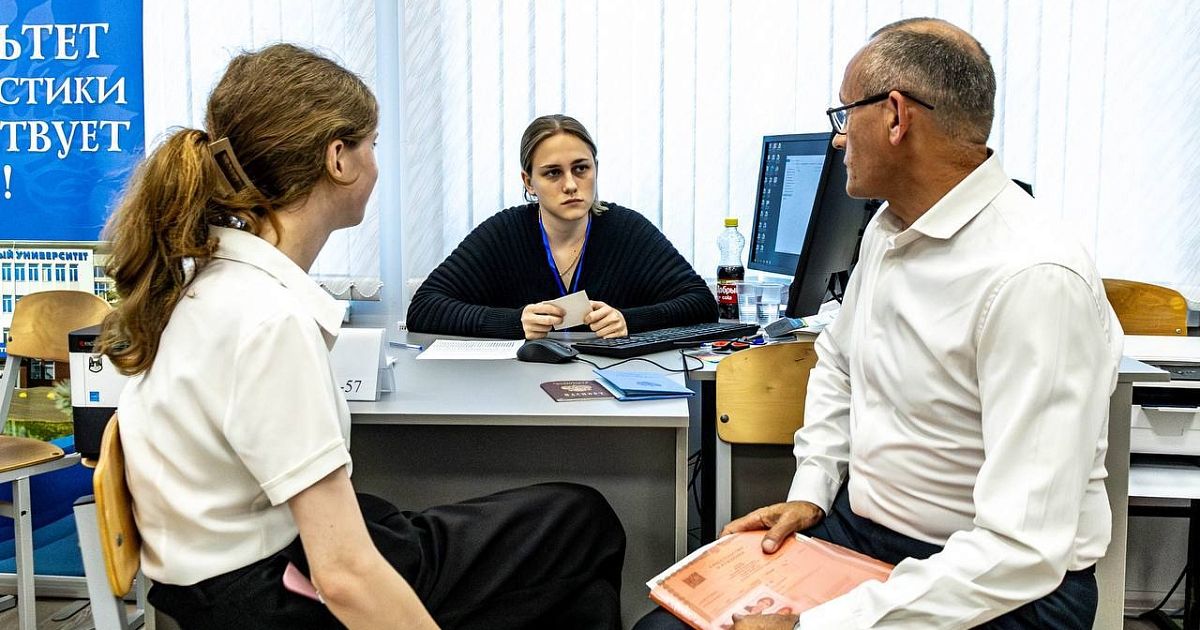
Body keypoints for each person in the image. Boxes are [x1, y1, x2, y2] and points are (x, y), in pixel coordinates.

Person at [97, 44, 625, 630]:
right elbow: (345, 576)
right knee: (584, 522)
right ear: (338, 159)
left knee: (571, 538)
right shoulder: (268, 319)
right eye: (371, 145)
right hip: (279, 593)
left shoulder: (207, 285)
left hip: (237, 570)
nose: (375, 162)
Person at [637, 17, 1121, 630]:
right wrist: (812, 491)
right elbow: (839, 364)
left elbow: (1020, 552)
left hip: (998, 585)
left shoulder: (1034, 277)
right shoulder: (889, 231)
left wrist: (813, 628)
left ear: (895, 117)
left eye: (845, 115)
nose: (838, 139)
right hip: (863, 536)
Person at [406, 114, 717, 339]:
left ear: (596, 169)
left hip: (612, 392)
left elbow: (701, 303)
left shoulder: (627, 229)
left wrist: (629, 320)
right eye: (553, 173)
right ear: (529, 182)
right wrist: (515, 322)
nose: (570, 185)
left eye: (581, 169)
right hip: (520, 392)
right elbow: (424, 308)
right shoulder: (505, 232)